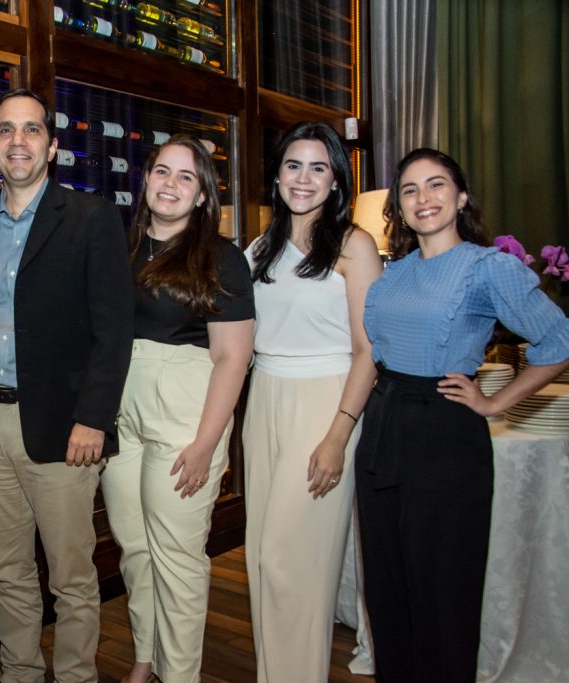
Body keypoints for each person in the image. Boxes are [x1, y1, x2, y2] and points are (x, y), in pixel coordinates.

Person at [356, 148, 569, 682]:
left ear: (462, 196)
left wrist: (494, 402)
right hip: (383, 425)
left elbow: (558, 338)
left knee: (442, 591)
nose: (423, 198)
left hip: (445, 432)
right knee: (388, 586)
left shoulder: (487, 266)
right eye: (409, 189)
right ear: (399, 208)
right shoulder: (393, 272)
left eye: (436, 185)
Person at [0, 88, 135, 683]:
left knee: (72, 576)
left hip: (65, 426)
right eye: (6, 130)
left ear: (52, 145)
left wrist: (95, 418)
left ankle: (78, 677)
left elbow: (114, 332)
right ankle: (22, 674)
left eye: (31, 130)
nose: (18, 142)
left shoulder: (91, 219)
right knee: (6, 572)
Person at [100, 136, 254, 683]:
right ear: (145, 180)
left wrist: (206, 445)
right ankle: (146, 657)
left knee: (178, 560)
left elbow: (233, 359)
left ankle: (179, 674)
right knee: (135, 549)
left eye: (185, 177)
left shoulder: (222, 258)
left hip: (185, 419)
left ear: (203, 194)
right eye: (162, 171)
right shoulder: (123, 246)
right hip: (124, 418)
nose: (170, 183)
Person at [242, 121, 382, 682]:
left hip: (325, 403)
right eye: (294, 165)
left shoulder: (353, 245)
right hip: (264, 402)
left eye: (318, 167)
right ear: (277, 176)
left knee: (290, 563)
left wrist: (337, 435)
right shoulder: (256, 248)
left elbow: (369, 350)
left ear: (336, 180)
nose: (304, 178)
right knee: (260, 559)